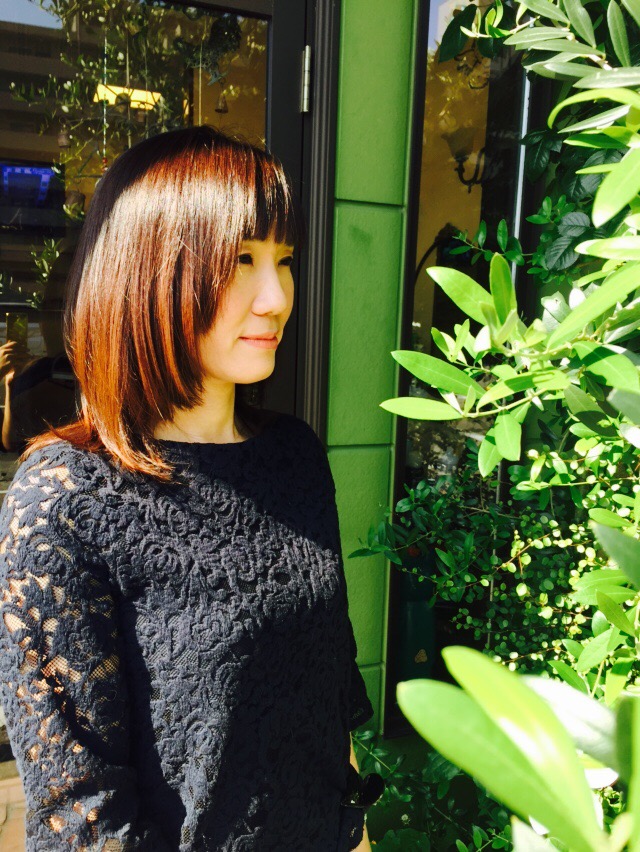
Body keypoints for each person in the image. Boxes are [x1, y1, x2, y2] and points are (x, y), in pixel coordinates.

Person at [0, 125, 382, 851]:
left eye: (284, 260)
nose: (276, 296)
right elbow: (81, 816)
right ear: (150, 270)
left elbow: (328, 705)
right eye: (241, 260)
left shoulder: (293, 457)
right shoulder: (66, 498)